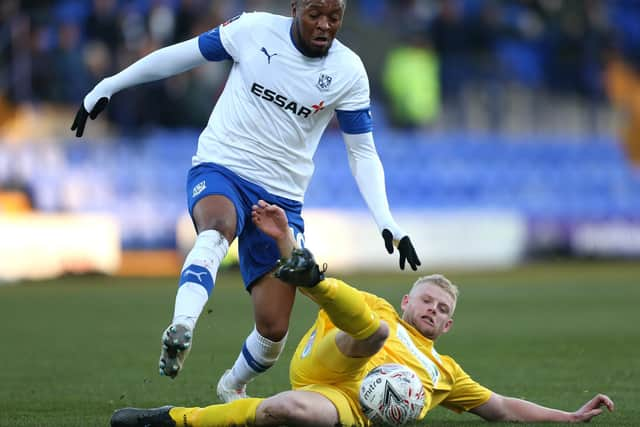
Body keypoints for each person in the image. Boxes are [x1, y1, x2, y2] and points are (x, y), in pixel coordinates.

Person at [71, 0, 421, 402]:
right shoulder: (252, 30)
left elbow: (362, 152)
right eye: (315, 15)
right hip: (222, 166)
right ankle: (181, 326)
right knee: (217, 229)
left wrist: (386, 219)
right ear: (295, 8)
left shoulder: (348, 71)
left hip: (282, 198)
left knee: (273, 331)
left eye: (334, 17)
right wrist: (109, 84)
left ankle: (231, 384)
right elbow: (180, 56)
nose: (325, 25)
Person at [110, 200, 615, 427]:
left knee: (282, 411)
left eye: (443, 310)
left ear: (448, 326)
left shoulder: (445, 375)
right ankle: (315, 272)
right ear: (408, 303)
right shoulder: (379, 309)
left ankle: (169, 421)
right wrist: (286, 241)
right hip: (325, 362)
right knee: (371, 333)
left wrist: (568, 416)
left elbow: (501, 407)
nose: (434, 311)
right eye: (428, 301)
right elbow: (324, 299)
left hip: (345, 407)